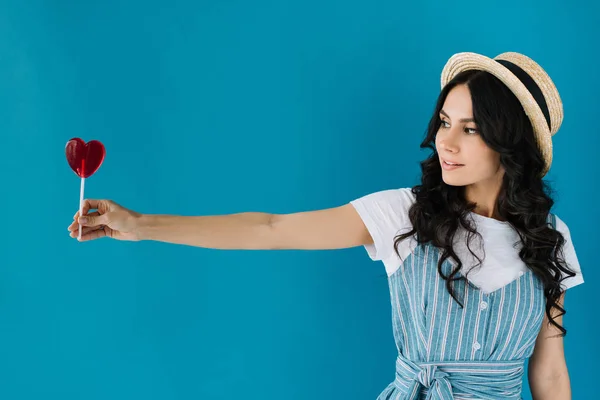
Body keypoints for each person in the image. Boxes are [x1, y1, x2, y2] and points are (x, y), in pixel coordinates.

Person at [67, 51, 584, 399]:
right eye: (445, 122)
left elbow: (550, 368)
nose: (446, 142)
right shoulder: (405, 214)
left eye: (470, 129)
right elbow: (270, 229)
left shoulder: (550, 238)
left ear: (510, 143)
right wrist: (141, 224)